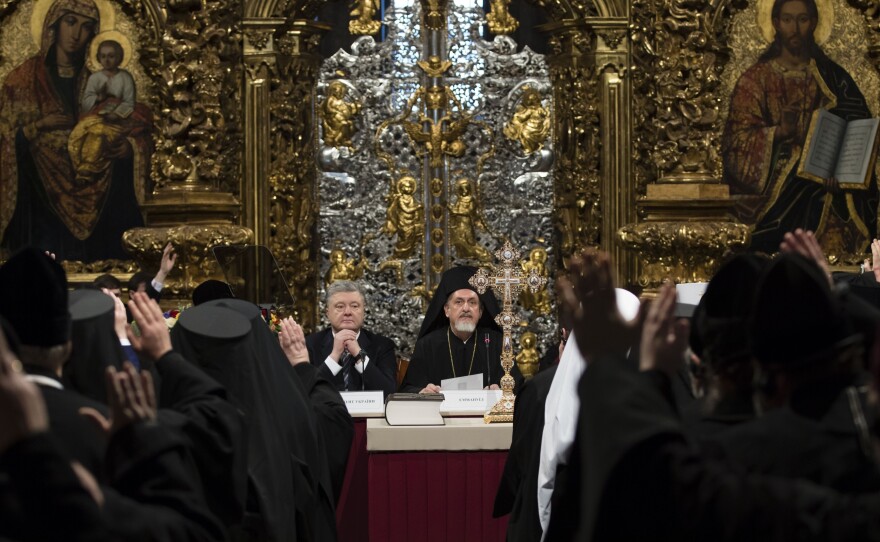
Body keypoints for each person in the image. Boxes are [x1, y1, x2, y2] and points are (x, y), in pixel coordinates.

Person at [721, 0, 878, 255]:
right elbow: (735, 144)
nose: (795, 28)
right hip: (777, 186)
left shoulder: (834, 77)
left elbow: (859, 130)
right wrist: (780, 133)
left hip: (828, 185)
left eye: (803, 19)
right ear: (775, 23)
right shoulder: (755, 79)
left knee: (829, 205)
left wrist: (842, 172)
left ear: (814, 23)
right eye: (787, 19)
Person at [0, 0, 150, 261]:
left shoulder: (102, 81)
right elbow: (4, 136)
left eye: (87, 27)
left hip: (100, 201)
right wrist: (38, 127)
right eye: (70, 23)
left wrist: (129, 149)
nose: (77, 34)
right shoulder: (21, 81)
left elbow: (136, 127)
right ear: (53, 26)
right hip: (38, 203)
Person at [400, 265, 522, 393]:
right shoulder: (427, 345)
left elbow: (517, 385)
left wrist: (501, 390)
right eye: (458, 302)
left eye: (472, 302)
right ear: (447, 310)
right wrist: (423, 391)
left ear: (480, 312)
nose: (466, 308)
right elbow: (408, 388)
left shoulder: (497, 343)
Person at [69, 37, 149, 188]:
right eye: (103, 56)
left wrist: (117, 114)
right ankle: (84, 168)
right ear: (98, 58)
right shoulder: (95, 78)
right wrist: (99, 97)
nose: (107, 60)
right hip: (97, 115)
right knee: (89, 132)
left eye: (111, 56)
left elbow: (129, 102)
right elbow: (86, 103)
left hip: (120, 115)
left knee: (105, 135)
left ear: (119, 58)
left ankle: (89, 169)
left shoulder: (125, 77)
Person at [306, 281, 397, 396]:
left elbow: (388, 392)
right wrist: (334, 356)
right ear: (327, 313)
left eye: (354, 306)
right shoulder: (310, 344)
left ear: (363, 311)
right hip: (326, 413)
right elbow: (305, 392)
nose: (348, 312)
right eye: (340, 307)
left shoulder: (383, 345)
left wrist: (359, 354)